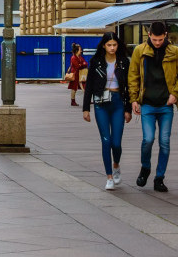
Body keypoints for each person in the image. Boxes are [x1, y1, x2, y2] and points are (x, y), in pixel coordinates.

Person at [129, 21, 178, 192]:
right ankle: (145, 167)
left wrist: (175, 94)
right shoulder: (139, 51)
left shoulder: (174, 51)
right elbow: (133, 75)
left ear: (165, 35)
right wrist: (133, 99)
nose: (158, 43)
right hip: (148, 104)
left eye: (161, 39)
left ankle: (159, 178)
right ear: (149, 35)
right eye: (155, 39)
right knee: (148, 139)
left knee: (165, 142)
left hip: (166, 104)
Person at [84, 32, 132, 190]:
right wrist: (86, 109)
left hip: (118, 102)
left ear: (118, 46)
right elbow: (89, 85)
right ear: (104, 46)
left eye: (115, 45)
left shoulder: (124, 62)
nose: (112, 48)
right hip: (101, 103)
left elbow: (129, 87)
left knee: (116, 143)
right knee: (106, 140)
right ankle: (109, 177)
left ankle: (116, 165)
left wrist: (128, 109)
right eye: (109, 45)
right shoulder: (96, 61)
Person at [67, 43, 88, 107]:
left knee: (85, 87)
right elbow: (77, 66)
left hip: (81, 74)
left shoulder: (80, 57)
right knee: (74, 88)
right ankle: (72, 101)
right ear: (76, 51)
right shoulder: (73, 58)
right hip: (75, 75)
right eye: (80, 50)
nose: (81, 51)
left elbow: (86, 63)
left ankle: (88, 100)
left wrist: (82, 64)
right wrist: (82, 64)